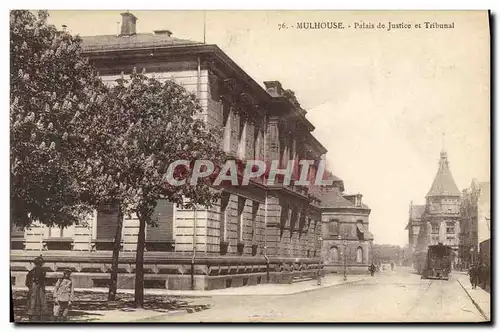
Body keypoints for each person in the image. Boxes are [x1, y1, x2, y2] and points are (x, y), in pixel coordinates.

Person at [25, 255, 48, 322]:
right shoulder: (42, 270)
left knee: (32, 301)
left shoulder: (31, 271)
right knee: (40, 300)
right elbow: (43, 281)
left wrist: (30, 287)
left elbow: (27, 282)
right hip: (38, 288)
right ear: (41, 263)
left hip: (33, 288)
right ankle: (39, 315)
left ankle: (31, 315)